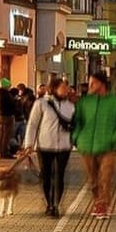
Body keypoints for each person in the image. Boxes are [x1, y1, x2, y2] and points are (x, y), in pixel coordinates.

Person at [71, 69, 116, 218]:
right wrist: (76, 138)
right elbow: (77, 122)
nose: (90, 85)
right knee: (92, 180)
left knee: (105, 177)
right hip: (86, 146)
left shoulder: (115, 102)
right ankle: (97, 201)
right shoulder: (84, 102)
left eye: (93, 83)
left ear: (101, 84)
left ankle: (103, 205)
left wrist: (114, 138)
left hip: (107, 147)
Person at [22, 74, 75, 217]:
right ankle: (49, 203)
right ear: (54, 89)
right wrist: (29, 144)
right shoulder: (41, 104)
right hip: (45, 145)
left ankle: (56, 204)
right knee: (46, 175)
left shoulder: (70, 106)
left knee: (59, 176)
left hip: (64, 146)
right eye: (63, 88)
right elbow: (32, 124)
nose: (66, 91)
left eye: (67, 88)